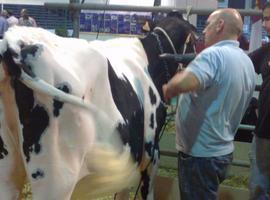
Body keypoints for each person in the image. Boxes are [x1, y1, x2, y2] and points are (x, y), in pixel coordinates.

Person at [162, 8, 256, 200]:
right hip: (221, 151)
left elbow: (185, 83)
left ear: (220, 25)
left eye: (207, 25)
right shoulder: (246, 61)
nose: (203, 31)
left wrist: (168, 89)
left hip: (200, 154)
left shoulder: (212, 56)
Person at [248, 1, 270, 199]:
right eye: (264, 19)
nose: (264, 24)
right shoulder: (265, 51)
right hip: (265, 132)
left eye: (269, 19)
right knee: (258, 188)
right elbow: (240, 60)